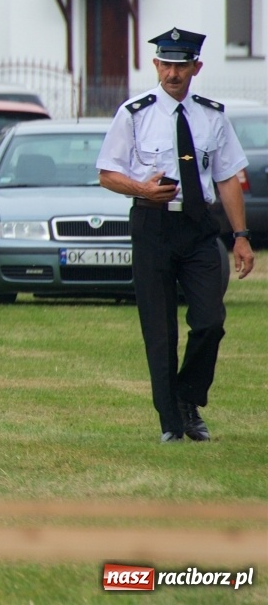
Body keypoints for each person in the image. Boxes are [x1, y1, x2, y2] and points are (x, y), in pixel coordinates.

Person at [96, 28, 255, 443]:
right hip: (153, 225)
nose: (172, 73)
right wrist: (142, 188)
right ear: (156, 66)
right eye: (166, 65)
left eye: (181, 65)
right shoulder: (134, 113)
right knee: (160, 329)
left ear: (195, 68)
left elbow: (226, 178)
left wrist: (240, 235)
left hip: (199, 228)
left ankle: (188, 398)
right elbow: (107, 174)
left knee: (209, 321)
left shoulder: (212, 115)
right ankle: (171, 421)